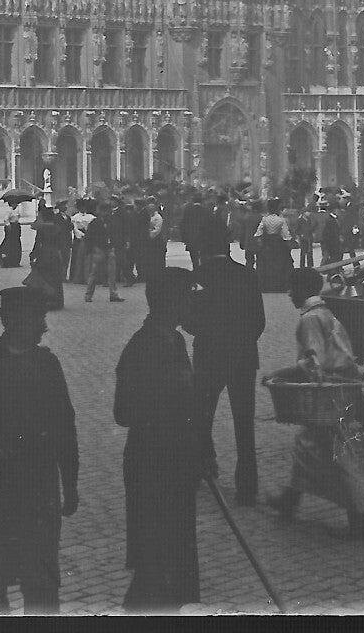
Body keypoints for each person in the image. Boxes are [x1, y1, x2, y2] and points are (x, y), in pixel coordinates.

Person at [0, 287, 79, 615]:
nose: (44, 327)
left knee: (43, 583)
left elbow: (66, 427)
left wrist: (71, 483)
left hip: (39, 487)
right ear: (15, 320)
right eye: (39, 318)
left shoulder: (48, 366)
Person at [113, 269, 204, 612]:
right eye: (186, 297)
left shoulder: (175, 340)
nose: (192, 303)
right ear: (169, 302)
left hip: (176, 463)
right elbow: (122, 412)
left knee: (172, 558)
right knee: (156, 562)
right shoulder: (144, 345)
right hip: (152, 464)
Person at [266, 268, 364, 539]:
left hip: (329, 392)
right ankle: (290, 501)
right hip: (341, 386)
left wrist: (279, 374)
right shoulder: (326, 313)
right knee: (307, 447)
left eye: (292, 288)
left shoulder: (311, 320)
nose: (289, 293)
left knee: (338, 457)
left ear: (304, 290)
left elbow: (314, 362)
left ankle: (362, 520)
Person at [185, 217, 266, 506]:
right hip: (244, 357)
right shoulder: (247, 275)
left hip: (209, 356)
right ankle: (248, 487)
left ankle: (202, 468)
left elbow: (190, 322)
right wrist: (241, 340)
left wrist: (209, 334)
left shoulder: (199, 276)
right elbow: (259, 321)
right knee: (244, 424)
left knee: (201, 415)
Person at [25, 203, 66, 310]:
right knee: (55, 278)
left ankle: (45, 299)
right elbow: (61, 244)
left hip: (44, 254)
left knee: (44, 277)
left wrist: (33, 255)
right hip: (55, 255)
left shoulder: (42, 229)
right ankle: (57, 300)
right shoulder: (58, 228)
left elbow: (37, 243)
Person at [254, 198, 295, 293]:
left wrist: (260, 245)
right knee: (281, 263)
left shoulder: (264, 219)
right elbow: (286, 235)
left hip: (267, 244)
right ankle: (280, 285)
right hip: (278, 244)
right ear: (277, 208)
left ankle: (266, 285)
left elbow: (258, 234)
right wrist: (288, 244)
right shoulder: (281, 220)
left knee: (266, 265)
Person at [83, 203, 122, 302]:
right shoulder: (95, 223)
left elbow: (116, 234)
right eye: (105, 211)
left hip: (108, 248)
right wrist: (90, 249)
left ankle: (113, 294)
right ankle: (88, 295)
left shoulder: (110, 222)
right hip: (99, 249)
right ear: (101, 211)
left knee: (111, 273)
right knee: (94, 273)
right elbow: (89, 237)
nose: (107, 213)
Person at [179, 193, 207, 273]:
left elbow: (183, 224)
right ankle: (203, 269)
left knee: (193, 254)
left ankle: (196, 269)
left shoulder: (188, 210)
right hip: (203, 236)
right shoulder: (205, 210)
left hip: (191, 236)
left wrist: (183, 237)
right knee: (203, 254)